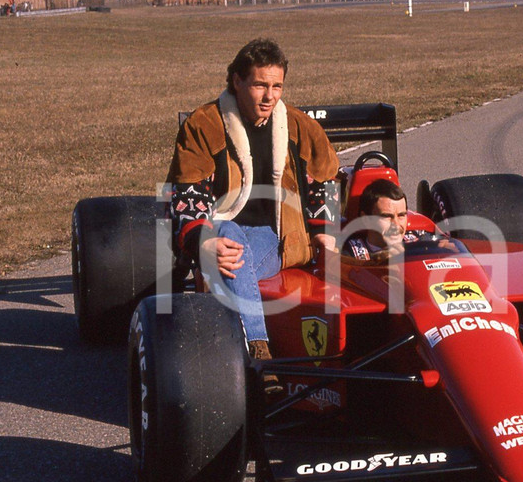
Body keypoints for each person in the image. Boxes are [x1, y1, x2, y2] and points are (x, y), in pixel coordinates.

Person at [165, 38, 339, 360]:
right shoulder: (204, 126)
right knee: (227, 233)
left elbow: (324, 184)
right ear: (237, 80)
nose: (270, 96)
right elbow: (187, 192)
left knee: (233, 248)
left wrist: (325, 235)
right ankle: (259, 350)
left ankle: (252, 351)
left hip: (276, 239)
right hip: (221, 238)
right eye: (260, 85)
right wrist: (201, 244)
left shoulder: (302, 128)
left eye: (277, 86)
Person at [343, 179, 445, 261]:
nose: (396, 224)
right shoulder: (348, 253)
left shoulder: (422, 241)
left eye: (401, 215)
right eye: (387, 216)